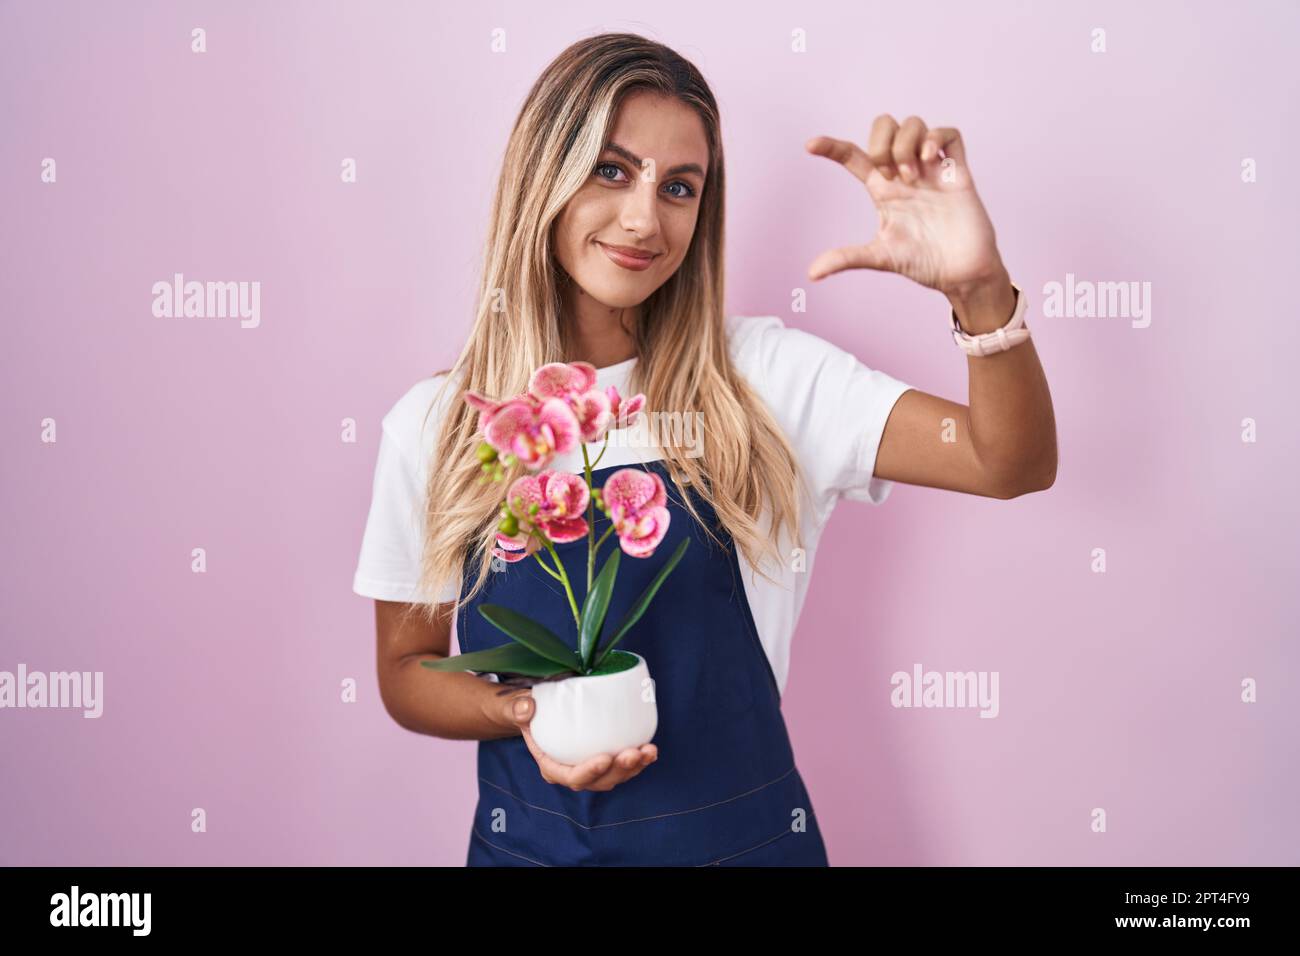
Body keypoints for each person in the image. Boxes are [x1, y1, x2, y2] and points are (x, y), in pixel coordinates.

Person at [352, 33, 1057, 867]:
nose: (645, 218)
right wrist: (527, 713)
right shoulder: (438, 426)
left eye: (679, 187)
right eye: (611, 170)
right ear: (542, 174)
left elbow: (1007, 462)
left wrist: (979, 289)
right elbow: (408, 669)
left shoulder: (765, 380)